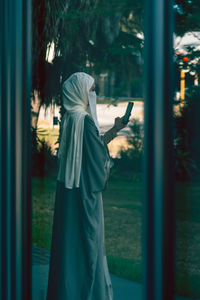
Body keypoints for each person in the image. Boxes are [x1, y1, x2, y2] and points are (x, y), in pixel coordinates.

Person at [46, 72, 128, 300]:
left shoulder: (70, 118)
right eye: (91, 90)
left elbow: (89, 150)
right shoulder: (86, 121)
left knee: (69, 246)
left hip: (68, 193)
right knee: (88, 245)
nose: (94, 94)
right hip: (85, 196)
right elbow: (96, 160)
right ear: (80, 92)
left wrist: (115, 129)